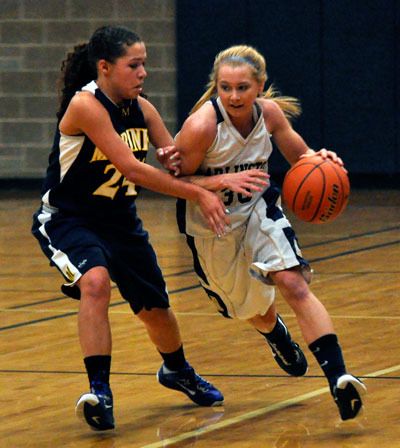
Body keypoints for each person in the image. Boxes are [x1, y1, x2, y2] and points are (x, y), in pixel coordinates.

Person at [30, 26, 267, 432]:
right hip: (71, 218)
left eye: (145, 64)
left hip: (121, 222)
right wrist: (206, 188)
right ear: (105, 68)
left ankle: (177, 370)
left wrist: (184, 161)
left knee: (156, 310)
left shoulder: (143, 108)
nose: (143, 73)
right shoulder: (87, 105)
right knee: (96, 283)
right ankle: (99, 392)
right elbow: (135, 170)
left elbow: (174, 164)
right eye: (134, 65)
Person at [174, 45, 367, 421]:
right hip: (214, 225)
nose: (233, 96)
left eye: (242, 87)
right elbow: (170, 181)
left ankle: (338, 378)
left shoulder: (270, 114)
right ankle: (274, 332)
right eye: (225, 87)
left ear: (260, 86)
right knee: (253, 312)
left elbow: (302, 157)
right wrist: (213, 185)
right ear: (216, 87)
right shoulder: (202, 125)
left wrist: (321, 160)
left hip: (259, 210)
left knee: (293, 283)